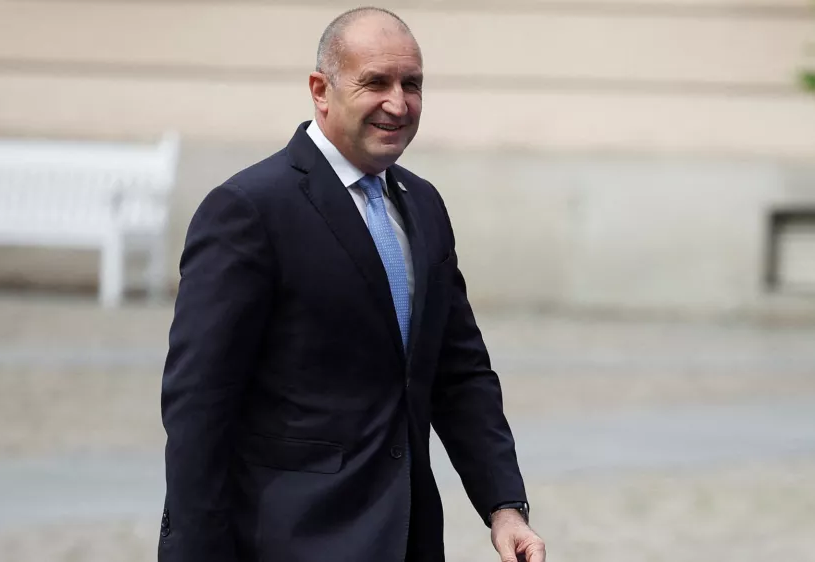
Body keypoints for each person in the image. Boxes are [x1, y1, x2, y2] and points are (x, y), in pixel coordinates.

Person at [158, 6, 545, 562]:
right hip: (290, 539)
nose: (398, 103)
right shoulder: (249, 210)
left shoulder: (424, 205)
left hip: (407, 540)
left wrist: (504, 507)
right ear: (321, 89)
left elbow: (459, 374)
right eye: (376, 83)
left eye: (411, 84)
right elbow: (199, 403)